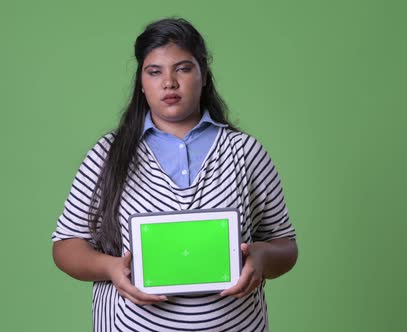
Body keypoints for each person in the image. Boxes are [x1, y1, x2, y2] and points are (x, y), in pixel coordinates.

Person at [52, 17, 298, 332]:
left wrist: (261, 258)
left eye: (182, 68)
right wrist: (111, 267)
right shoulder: (108, 154)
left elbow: (285, 246)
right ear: (141, 82)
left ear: (204, 74)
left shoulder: (245, 151)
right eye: (154, 72)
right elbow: (66, 245)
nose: (169, 82)